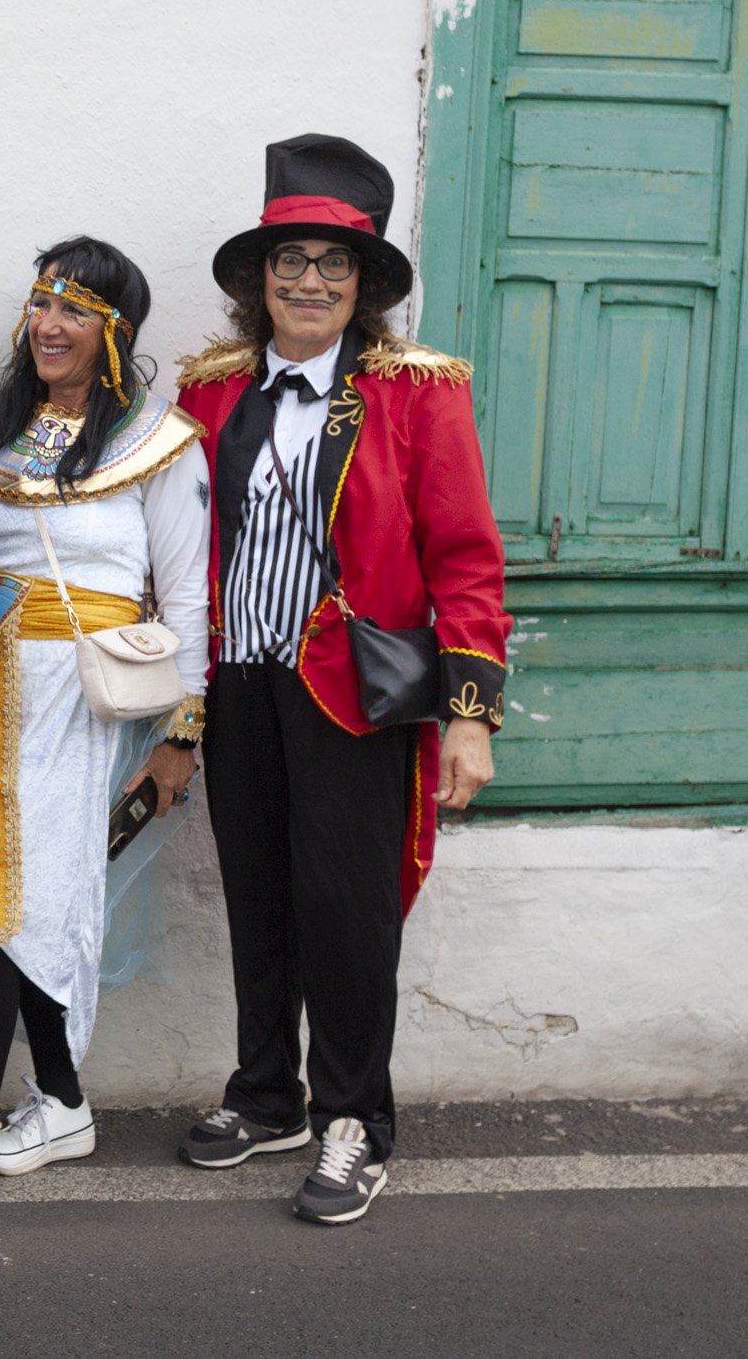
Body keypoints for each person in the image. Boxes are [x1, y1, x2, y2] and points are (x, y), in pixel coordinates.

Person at [174, 134, 509, 1225]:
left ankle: (354, 1116)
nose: (308, 281)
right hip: (237, 685)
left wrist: (469, 714)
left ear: (362, 287)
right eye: (289, 260)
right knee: (259, 896)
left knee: (348, 910)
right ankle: (265, 1088)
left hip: (353, 693)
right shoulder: (212, 394)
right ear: (257, 278)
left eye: (332, 263)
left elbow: (462, 555)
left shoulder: (416, 395)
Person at [0, 238, 209, 1201]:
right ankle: (60, 1100)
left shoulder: (160, 443)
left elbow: (186, 600)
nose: (49, 325)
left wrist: (182, 737)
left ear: (116, 333)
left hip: (83, 697)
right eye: (41, 305)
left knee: (24, 892)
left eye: (75, 310)